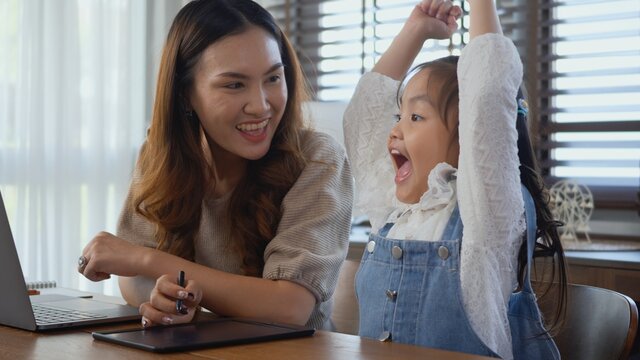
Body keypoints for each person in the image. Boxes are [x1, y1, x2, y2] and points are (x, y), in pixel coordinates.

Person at [77, 0, 353, 330]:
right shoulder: (159, 154)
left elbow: (289, 307)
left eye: (273, 78)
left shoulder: (318, 159)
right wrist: (164, 297)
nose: (261, 105)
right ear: (185, 94)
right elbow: (133, 280)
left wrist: (149, 260)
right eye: (235, 84)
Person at [343, 0, 567, 359]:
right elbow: (364, 118)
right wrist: (415, 30)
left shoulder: (484, 218)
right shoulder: (398, 211)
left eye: (415, 117)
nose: (394, 130)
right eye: (398, 116)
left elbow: (488, 92)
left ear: (470, 136)